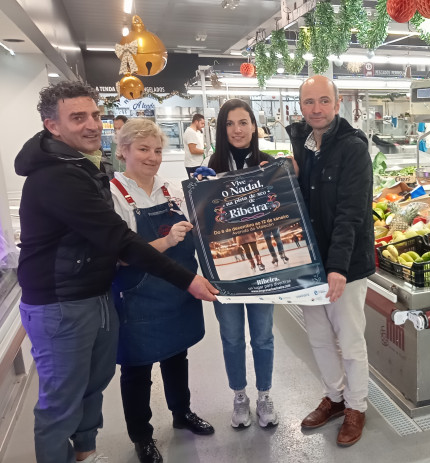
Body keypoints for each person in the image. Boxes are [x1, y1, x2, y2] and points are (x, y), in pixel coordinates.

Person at [14, 81, 217, 463]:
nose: (91, 124)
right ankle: (140, 435)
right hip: (66, 302)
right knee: (66, 398)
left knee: (93, 386)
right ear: (52, 126)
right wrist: (186, 276)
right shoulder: (60, 177)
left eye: (94, 115)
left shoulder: (86, 168)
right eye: (78, 117)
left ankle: (87, 452)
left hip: (97, 294)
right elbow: (121, 243)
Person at [110, 119, 214, 463]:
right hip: (138, 295)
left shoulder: (170, 190)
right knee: (136, 369)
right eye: (143, 149)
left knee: (176, 354)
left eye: (157, 150)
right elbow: (121, 257)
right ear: (123, 150)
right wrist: (168, 240)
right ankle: (142, 436)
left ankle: (181, 413)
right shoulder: (113, 195)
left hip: (175, 291)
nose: (152, 157)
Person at [286, 75, 375, 447]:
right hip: (310, 264)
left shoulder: (352, 149)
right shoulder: (300, 145)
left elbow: (351, 213)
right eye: (309, 102)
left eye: (324, 101)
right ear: (301, 106)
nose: (317, 109)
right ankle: (335, 398)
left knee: (350, 340)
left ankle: (357, 406)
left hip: (346, 266)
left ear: (337, 105)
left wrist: (337, 266)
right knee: (320, 339)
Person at [206, 99, 279, 429]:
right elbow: (205, 221)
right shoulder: (211, 166)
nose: (238, 129)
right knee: (232, 337)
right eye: (230, 124)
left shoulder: (269, 163)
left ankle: (264, 395)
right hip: (226, 270)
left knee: (262, 336)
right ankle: (239, 396)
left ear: (254, 126)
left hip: (263, 266)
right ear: (222, 130)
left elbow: (284, 211)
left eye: (244, 122)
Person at [183, 113, 205, 177]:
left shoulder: (196, 132)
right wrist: (206, 152)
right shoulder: (190, 132)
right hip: (193, 165)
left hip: (197, 164)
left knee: (201, 184)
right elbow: (193, 150)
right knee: (196, 185)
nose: (203, 126)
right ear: (196, 122)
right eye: (202, 123)